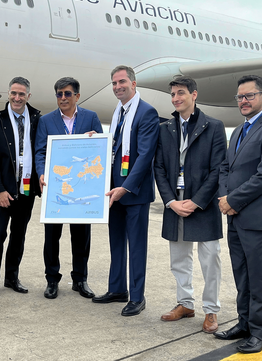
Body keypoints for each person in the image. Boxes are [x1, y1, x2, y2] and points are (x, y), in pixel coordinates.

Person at [215, 75, 262, 353]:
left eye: (249, 96)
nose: (243, 101)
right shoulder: (238, 130)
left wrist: (233, 200)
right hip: (234, 214)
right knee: (242, 274)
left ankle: (261, 332)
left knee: (258, 275)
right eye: (240, 97)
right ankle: (244, 323)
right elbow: (225, 167)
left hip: (260, 217)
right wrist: (224, 198)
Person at [154, 76, 226, 333]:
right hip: (175, 204)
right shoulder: (165, 128)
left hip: (202, 204)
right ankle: (185, 304)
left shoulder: (214, 127)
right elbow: (159, 167)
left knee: (210, 259)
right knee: (179, 259)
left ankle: (211, 310)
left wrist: (196, 202)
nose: (176, 98)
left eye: (181, 93)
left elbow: (219, 170)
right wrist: (171, 201)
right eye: (172, 94)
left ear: (194, 95)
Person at [92, 65, 159, 317]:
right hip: (114, 190)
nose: (117, 86)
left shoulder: (146, 112)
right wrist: (97, 140)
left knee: (137, 246)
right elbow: (116, 147)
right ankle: (117, 289)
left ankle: (137, 296)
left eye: (121, 82)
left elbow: (144, 157)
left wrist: (125, 187)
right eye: (113, 83)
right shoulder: (119, 112)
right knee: (116, 243)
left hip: (134, 193)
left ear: (133, 83)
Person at [35, 77, 103, 300]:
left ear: (77, 96)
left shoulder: (90, 118)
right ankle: (52, 280)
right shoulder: (46, 121)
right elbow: (40, 151)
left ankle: (80, 279)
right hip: (56, 187)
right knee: (51, 237)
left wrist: (96, 140)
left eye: (67, 93)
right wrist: (41, 172)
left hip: (82, 187)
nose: (62, 98)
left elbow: (100, 152)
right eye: (59, 94)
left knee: (81, 236)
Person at [0, 77, 41, 302]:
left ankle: (11, 277)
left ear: (28, 96)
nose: (17, 98)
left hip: (26, 190)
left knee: (19, 235)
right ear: (8, 94)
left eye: (22, 94)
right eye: (14, 93)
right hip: (3, 191)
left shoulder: (36, 119)